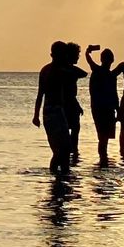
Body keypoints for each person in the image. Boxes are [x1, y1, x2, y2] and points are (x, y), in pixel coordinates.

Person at [31, 40, 86, 174]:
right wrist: (35, 115)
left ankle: (61, 177)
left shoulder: (50, 69)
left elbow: (82, 74)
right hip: (53, 112)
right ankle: (57, 175)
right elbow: (82, 73)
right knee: (62, 150)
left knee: (63, 150)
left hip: (54, 112)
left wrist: (36, 115)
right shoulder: (57, 70)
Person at [84, 44, 120, 163]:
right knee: (104, 138)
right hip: (105, 108)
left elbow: (114, 94)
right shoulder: (108, 74)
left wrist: (88, 51)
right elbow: (114, 95)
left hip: (100, 108)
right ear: (112, 60)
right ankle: (103, 159)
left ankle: (103, 159)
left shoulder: (99, 71)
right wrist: (118, 109)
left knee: (102, 137)